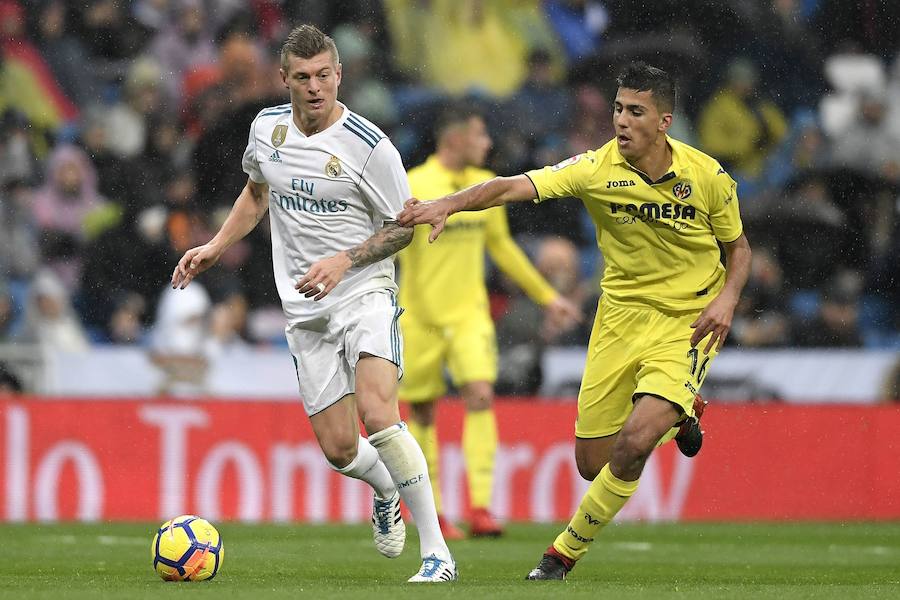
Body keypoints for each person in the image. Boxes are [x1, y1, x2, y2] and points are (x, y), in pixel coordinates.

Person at [399, 61, 752, 580]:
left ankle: (561, 554)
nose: (622, 121)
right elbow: (508, 188)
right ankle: (681, 412)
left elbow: (738, 249)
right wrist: (448, 204)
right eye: (617, 109)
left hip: (688, 322)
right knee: (594, 462)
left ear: (665, 121)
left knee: (633, 443)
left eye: (636, 111)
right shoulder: (595, 169)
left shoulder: (707, 177)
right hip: (619, 318)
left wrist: (727, 301)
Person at [171, 24, 456, 583]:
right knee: (339, 450)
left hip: (364, 293)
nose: (314, 86)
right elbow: (257, 193)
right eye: (302, 77)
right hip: (305, 310)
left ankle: (438, 554)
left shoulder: (370, 147)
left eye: (324, 75)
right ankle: (384, 490)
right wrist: (213, 246)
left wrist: (346, 260)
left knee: (379, 414)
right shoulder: (266, 129)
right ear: (285, 80)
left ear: (339, 75)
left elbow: (405, 228)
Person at [398, 105, 581, 539]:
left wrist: (546, 296)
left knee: (480, 395)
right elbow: (391, 245)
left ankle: (481, 508)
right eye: (479, 135)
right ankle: (434, 513)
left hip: (469, 315)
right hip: (419, 316)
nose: (486, 143)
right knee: (421, 411)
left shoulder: (484, 189)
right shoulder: (412, 184)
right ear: (454, 138)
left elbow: (502, 249)